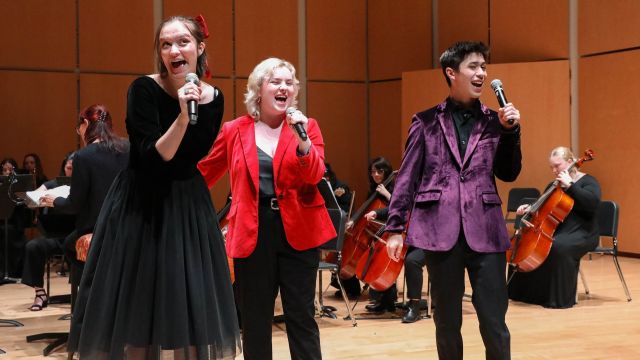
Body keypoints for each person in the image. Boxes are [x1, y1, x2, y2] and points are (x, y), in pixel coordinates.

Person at [59, 15, 242, 359]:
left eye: (183, 42)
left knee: (190, 311)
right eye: (165, 44)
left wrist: (191, 113)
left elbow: (192, 156)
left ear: (199, 48)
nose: (174, 49)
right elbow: (153, 159)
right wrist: (183, 117)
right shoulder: (142, 89)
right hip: (140, 205)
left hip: (187, 206)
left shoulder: (213, 98)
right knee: (137, 316)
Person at [385, 41, 522, 360]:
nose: (481, 73)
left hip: (486, 231)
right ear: (451, 72)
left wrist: (511, 133)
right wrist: (395, 228)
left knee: (494, 321)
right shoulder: (426, 121)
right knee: (446, 321)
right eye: (473, 66)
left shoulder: (495, 120)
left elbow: (509, 172)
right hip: (439, 231)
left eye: (484, 67)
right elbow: (406, 177)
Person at [198, 57, 335, 360]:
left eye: (289, 82)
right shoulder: (235, 130)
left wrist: (302, 142)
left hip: (299, 231)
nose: (284, 87)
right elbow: (204, 173)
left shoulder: (307, 127)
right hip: (252, 231)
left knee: (301, 316)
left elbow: (314, 175)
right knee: (256, 319)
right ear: (258, 89)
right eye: (276, 81)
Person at [508, 146, 601, 308]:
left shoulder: (588, 182)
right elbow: (545, 208)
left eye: (557, 166)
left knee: (557, 246)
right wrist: (530, 208)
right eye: (551, 167)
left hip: (583, 232)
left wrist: (571, 186)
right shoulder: (554, 184)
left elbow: (592, 204)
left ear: (570, 162)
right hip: (559, 230)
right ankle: (524, 294)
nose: (554, 170)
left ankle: (557, 299)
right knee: (522, 245)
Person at [22, 151, 76, 311]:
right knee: (33, 246)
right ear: (64, 167)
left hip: (76, 234)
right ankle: (39, 293)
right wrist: (42, 196)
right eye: (69, 167)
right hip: (55, 236)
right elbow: (30, 200)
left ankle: (80, 293)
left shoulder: (84, 184)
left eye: (75, 168)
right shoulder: (54, 184)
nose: (71, 171)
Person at [359, 157, 397, 313]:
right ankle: (382, 299)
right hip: (380, 231)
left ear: (386, 171)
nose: (375, 175)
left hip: (395, 232)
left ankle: (388, 300)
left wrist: (387, 194)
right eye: (373, 171)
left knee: (384, 261)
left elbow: (400, 207)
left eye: (379, 171)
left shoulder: (394, 186)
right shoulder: (374, 189)